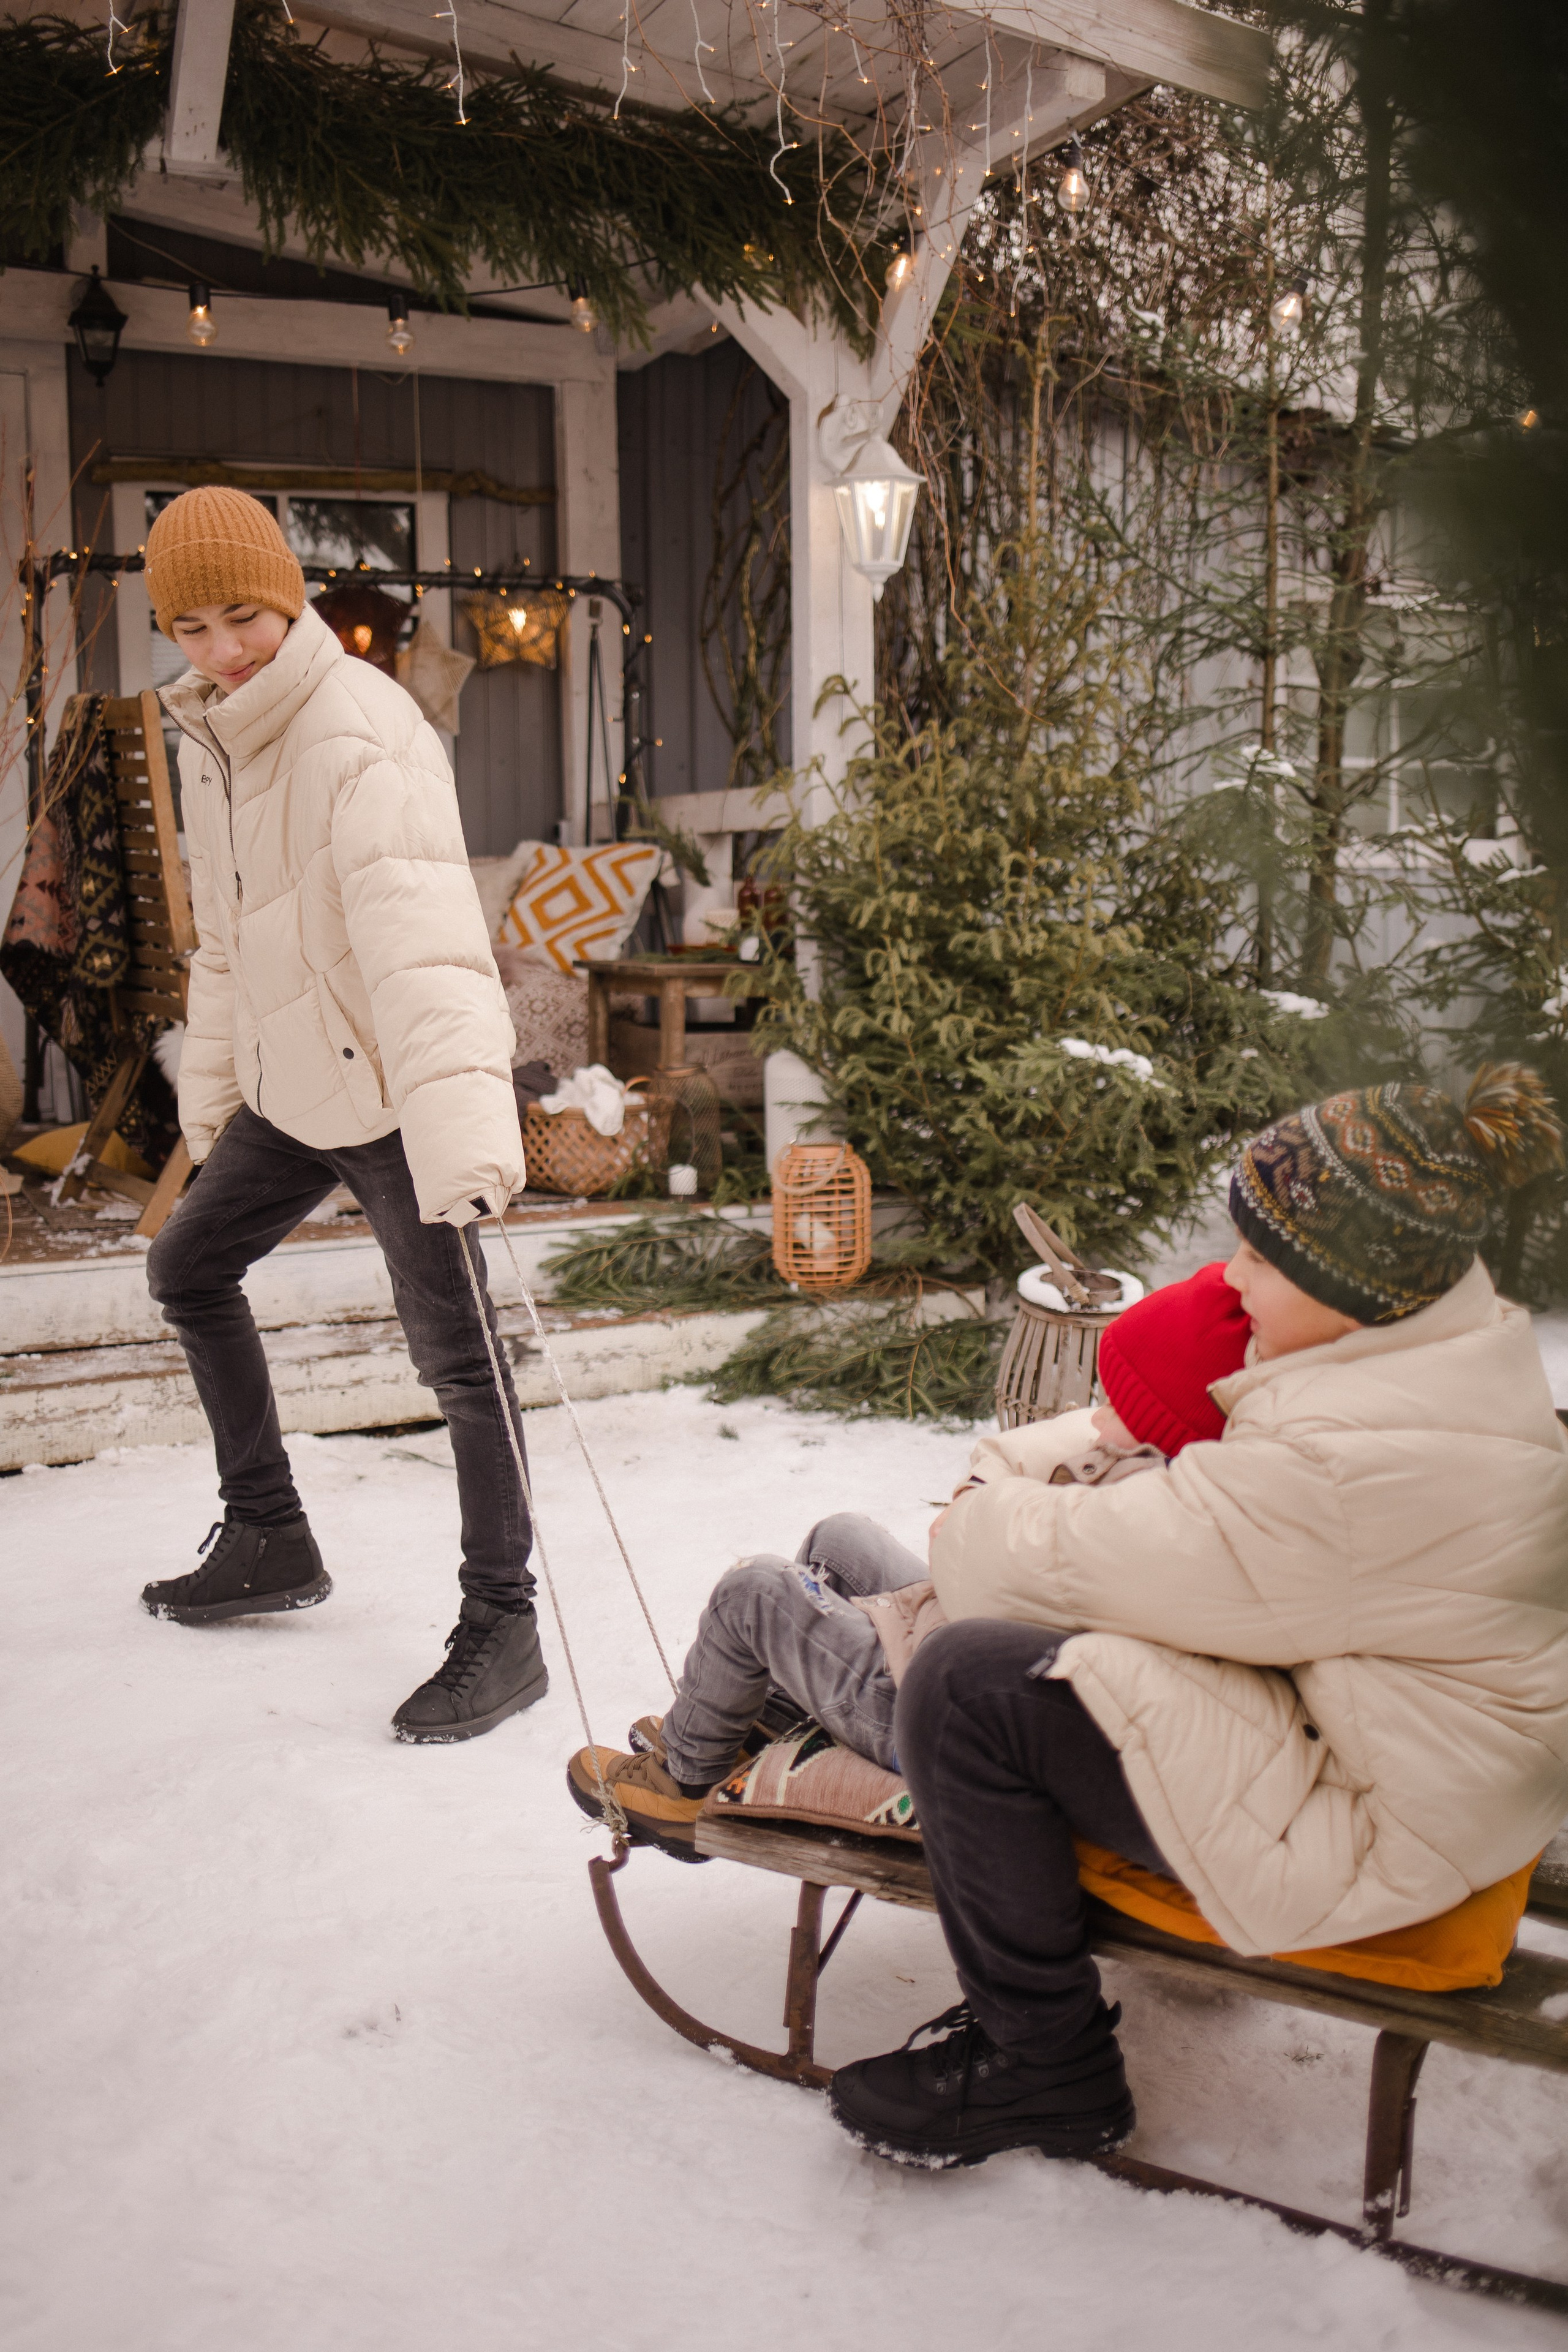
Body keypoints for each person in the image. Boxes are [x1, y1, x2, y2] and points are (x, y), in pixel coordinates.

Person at [827, 1070, 1568, 2168]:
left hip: (1376, 1831)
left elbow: (1064, 1568)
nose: (1234, 1278)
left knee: (972, 1683)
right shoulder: (1433, 1360)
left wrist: (979, 1517)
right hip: (1408, 1770)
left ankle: (1048, 2066)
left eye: (1263, 1258)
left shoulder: (1349, 1466)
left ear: (1352, 1282)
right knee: (1045, 1654)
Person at [135, 487, 548, 1745]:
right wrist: (213, 1106)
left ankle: (504, 1622)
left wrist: (465, 1139)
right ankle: (268, 1531)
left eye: (246, 615)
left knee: (459, 1361)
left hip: (388, 1095)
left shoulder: (357, 729)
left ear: (292, 597)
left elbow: (428, 952)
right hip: (293, 1087)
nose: (224, 648)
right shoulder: (218, 732)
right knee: (187, 1264)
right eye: (192, 625)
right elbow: (226, 942)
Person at [566, 1257, 1252, 1855]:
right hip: (972, 1643)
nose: (1096, 1418)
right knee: (840, 1539)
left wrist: (979, 1528)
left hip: (952, 1711)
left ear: (1166, 1428)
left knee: (754, 1592)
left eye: (1118, 1405)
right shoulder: (1155, 1477)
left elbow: (1001, 1584)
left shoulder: (1139, 1534)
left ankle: (685, 1778)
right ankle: (759, 1718)